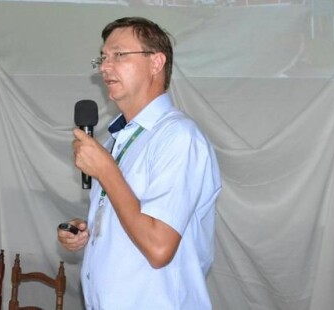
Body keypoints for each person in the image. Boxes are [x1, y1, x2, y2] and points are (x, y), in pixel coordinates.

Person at [58, 17, 221, 309]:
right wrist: (88, 230)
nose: (105, 67)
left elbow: (159, 247)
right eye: (103, 57)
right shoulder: (116, 139)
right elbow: (130, 215)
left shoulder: (178, 137)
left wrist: (107, 171)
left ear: (156, 63)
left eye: (119, 55)